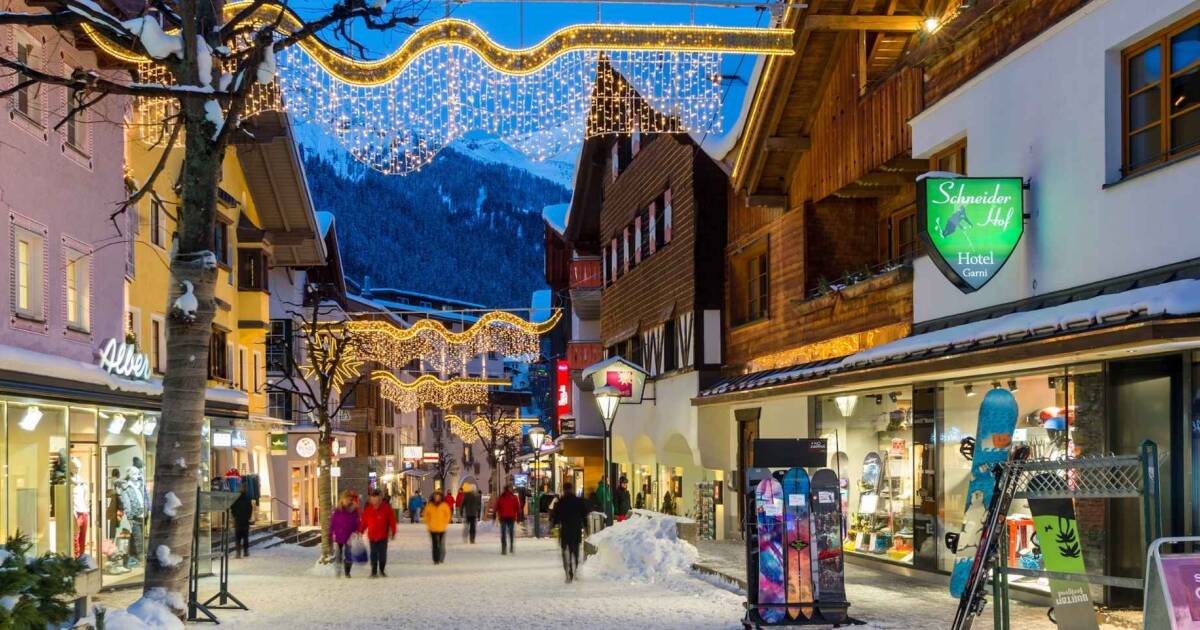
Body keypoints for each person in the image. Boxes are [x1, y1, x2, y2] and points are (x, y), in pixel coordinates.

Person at [551, 481, 588, 583]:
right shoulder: (578, 501)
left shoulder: (561, 502)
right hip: (576, 530)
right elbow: (584, 515)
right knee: (575, 551)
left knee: (565, 552)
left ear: (564, 490)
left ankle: (568, 571)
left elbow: (556, 517)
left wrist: (554, 525)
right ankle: (574, 569)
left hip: (565, 531)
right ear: (572, 489)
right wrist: (585, 527)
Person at [357, 489, 396, 577]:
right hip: (372, 536)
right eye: (373, 499)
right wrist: (360, 531)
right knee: (373, 554)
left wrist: (393, 532)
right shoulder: (368, 510)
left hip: (383, 536)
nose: (375, 501)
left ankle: (382, 570)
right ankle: (374, 571)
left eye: (377, 499)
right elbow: (364, 522)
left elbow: (392, 521)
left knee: (382, 554)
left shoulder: (386, 508)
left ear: (380, 499)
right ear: (371, 499)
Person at [329, 491, 360, 578]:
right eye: (346, 499)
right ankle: (338, 572)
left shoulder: (354, 510)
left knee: (348, 554)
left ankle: (347, 572)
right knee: (338, 555)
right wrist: (331, 533)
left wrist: (357, 531)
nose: (347, 501)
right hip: (339, 535)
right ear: (342, 500)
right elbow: (333, 522)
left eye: (349, 499)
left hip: (349, 535)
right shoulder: (337, 510)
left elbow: (357, 522)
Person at [423, 490, 452, 564]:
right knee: (435, 544)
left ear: (441, 497)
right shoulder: (430, 506)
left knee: (441, 544)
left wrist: (445, 523)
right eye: (436, 496)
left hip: (442, 528)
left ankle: (441, 557)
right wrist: (428, 523)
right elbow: (426, 515)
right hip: (432, 528)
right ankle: (436, 559)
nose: (437, 498)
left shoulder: (444, 505)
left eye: (438, 497)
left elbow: (448, 515)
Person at [495, 484, 521, 555]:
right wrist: (519, 516)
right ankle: (511, 546)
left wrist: (495, 513)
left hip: (503, 517)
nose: (512, 489)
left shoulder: (501, 497)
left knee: (503, 533)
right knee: (511, 532)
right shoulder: (514, 497)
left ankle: (504, 548)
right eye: (511, 488)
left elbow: (497, 506)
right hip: (511, 517)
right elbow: (518, 508)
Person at [229, 486, 254, 558]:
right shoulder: (247, 499)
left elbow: (232, 508)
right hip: (245, 520)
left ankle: (238, 552)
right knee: (245, 537)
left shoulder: (236, 499)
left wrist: (234, 516)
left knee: (238, 537)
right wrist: (248, 517)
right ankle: (246, 552)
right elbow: (250, 508)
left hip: (238, 520)